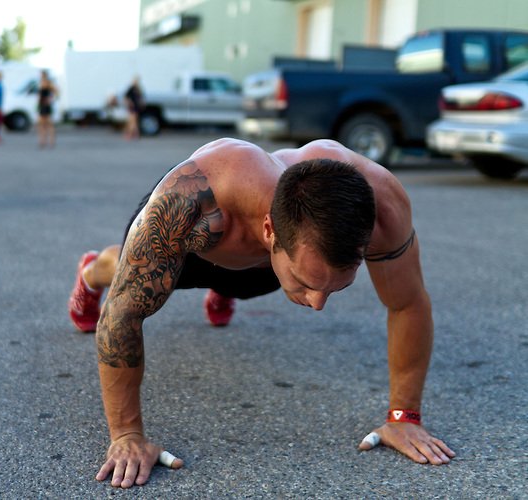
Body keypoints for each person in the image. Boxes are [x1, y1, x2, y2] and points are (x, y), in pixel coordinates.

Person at [67, 138, 455, 488]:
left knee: (255, 283)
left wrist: (404, 416)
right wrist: (126, 435)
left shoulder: (383, 208)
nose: (317, 305)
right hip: (203, 241)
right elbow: (122, 317)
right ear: (269, 230)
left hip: (265, 264)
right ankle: (89, 272)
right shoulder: (190, 202)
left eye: (336, 288)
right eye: (310, 285)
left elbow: (407, 303)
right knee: (128, 278)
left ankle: (231, 286)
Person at [37, 69, 59, 148]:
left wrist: (50, 99)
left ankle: (51, 141)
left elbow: (56, 91)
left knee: (49, 124)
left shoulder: (48, 83)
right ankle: (43, 141)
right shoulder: (41, 83)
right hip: (42, 105)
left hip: (46, 105)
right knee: (41, 124)